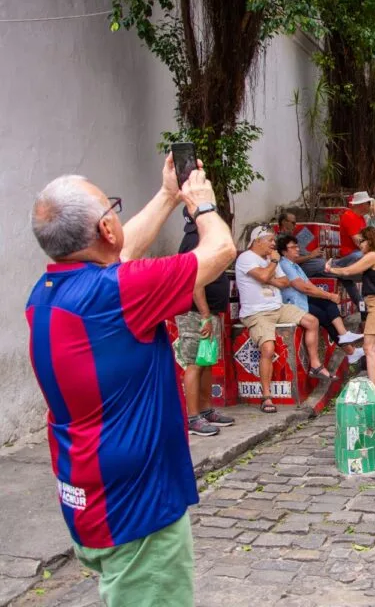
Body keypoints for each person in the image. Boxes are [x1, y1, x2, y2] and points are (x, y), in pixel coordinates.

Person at [26, 156, 235, 604]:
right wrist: (201, 204)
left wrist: (167, 195)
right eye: (113, 209)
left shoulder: (48, 294)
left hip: (91, 487)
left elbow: (118, 255)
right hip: (137, 504)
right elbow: (220, 251)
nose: (118, 218)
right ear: (106, 228)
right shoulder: (117, 292)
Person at [237, 227, 331, 412]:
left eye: (274, 240)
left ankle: (315, 364)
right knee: (268, 349)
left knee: (312, 321)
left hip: (278, 307)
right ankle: (266, 397)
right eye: (270, 240)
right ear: (257, 241)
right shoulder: (246, 258)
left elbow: (285, 282)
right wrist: (272, 265)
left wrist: (267, 277)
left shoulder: (270, 259)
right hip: (257, 312)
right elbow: (265, 275)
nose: (274, 244)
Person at [175, 208, 235, 437]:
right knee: (195, 363)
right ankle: (192, 417)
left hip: (209, 312)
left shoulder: (203, 239)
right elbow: (194, 283)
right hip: (195, 313)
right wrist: (204, 315)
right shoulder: (194, 240)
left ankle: (206, 409)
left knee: (206, 360)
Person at [326, 228, 375, 396]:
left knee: (369, 348)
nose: (359, 244)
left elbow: (348, 270)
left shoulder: (372, 256)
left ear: (370, 241)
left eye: (361, 241)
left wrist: (331, 269)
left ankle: (373, 389)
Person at [275, 233, 364, 358]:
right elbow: (304, 288)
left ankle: (345, 336)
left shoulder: (294, 265)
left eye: (297, 246)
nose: (298, 249)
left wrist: (328, 296)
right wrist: (329, 295)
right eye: (293, 247)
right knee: (325, 316)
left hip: (303, 299)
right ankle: (350, 351)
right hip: (295, 304)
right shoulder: (284, 264)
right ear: (284, 252)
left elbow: (309, 285)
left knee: (328, 304)